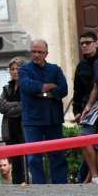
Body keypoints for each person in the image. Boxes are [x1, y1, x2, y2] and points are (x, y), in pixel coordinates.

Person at [19, 39, 69, 184]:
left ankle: (60, 185)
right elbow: (28, 86)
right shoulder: (24, 70)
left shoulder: (55, 69)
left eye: (39, 52)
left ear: (46, 53)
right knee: (34, 157)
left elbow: (63, 89)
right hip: (33, 120)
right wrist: (50, 87)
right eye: (33, 52)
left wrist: (44, 92)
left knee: (57, 155)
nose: (36, 55)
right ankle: (39, 186)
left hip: (53, 118)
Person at [77, 29, 98, 184]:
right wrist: (87, 106)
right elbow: (95, 88)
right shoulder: (97, 63)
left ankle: (90, 181)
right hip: (96, 107)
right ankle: (95, 177)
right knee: (82, 137)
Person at [0, 56, 28, 184]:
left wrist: (10, 106)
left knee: (28, 161)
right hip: (10, 129)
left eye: (17, 69)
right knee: (15, 162)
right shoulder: (7, 88)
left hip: (23, 128)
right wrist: (16, 105)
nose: (15, 71)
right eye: (12, 69)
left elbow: (25, 105)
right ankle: (18, 185)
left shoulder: (26, 86)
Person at [72, 31, 98, 182]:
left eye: (87, 42)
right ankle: (89, 178)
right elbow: (78, 91)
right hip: (87, 112)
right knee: (84, 139)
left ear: (95, 43)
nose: (84, 46)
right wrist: (76, 111)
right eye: (81, 43)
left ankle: (88, 179)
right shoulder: (81, 66)